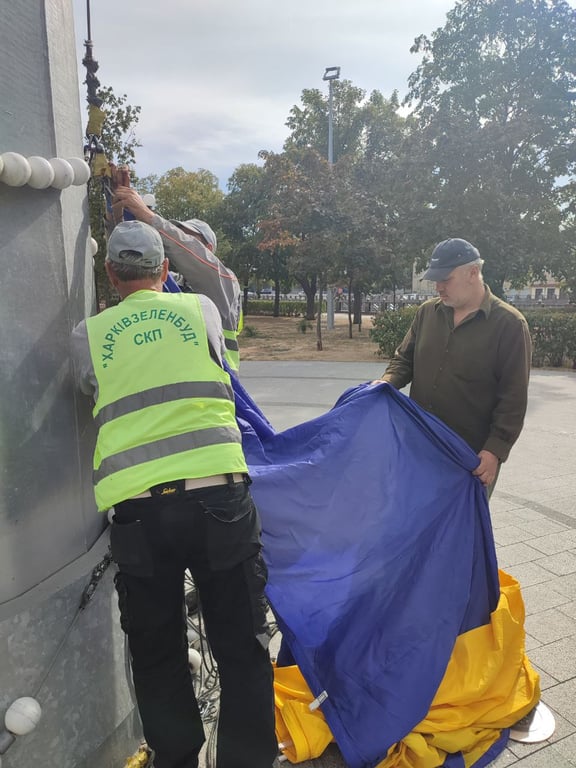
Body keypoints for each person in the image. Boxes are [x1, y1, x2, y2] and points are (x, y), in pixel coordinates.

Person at [71, 221, 277, 768]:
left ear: (111, 275)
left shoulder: (87, 336)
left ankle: (178, 759)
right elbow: (216, 275)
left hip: (140, 515)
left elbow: (90, 393)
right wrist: (143, 208)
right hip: (220, 501)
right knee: (241, 644)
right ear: (165, 270)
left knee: (157, 650)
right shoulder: (202, 312)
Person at [376, 238, 532, 495]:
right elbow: (404, 359)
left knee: (459, 532)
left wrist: (494, 450)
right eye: (435, 280)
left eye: (445, 279)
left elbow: (513, 398)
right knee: (414, 522)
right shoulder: (427, 313)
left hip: (469, 457)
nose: (438, 287)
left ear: (473, 273)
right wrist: (387, 381)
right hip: (420, 444)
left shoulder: (510, 325)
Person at [113, 185, 242, 370]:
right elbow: (130, 270)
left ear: (209, 250)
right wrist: (119, 219)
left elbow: (190, 253)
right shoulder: (170, 282)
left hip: (219, 384)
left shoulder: (224, 280)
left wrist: (148, 216)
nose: (178, 241)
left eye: (187, 238)